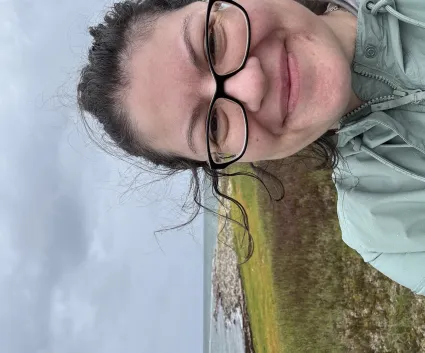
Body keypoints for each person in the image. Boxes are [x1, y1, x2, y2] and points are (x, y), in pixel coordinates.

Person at [77, 0, 425, 296]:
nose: (252, 85)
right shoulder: (387, 229)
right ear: (229, 158)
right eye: (213, 125)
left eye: (213, 42)